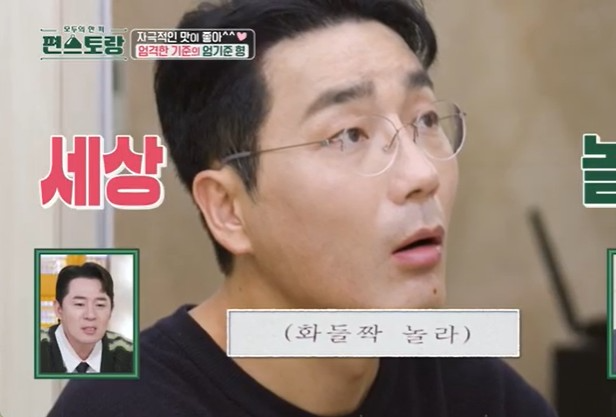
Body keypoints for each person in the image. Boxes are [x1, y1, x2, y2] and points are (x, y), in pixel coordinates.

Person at [48, 0, 557, 415]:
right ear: (227, 209)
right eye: (348, 135)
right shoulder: (124, 406)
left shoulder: (473, 391)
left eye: (424, 120)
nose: (422, 175)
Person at [39, 262, 133, 374]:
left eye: (100, 305)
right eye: (79, 304)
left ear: (111, 310)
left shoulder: (130, 354)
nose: (90, 315)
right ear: (59, 309)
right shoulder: (34, 349)